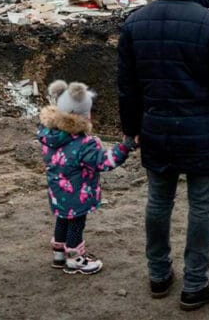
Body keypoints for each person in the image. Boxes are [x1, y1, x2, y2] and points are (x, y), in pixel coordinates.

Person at [117, 0, 209, 311]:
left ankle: (159, 275)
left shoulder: (134, 23)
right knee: (202, 206)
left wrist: (131, 130)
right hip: (205, 133)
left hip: (156, 129)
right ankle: (195, 284)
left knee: (159, 202)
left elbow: (127, 88)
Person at [38, 80, 136, 275]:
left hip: (57, 191)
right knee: (76, 223)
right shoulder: (85, 144)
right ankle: (75, 259)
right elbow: (104, 162)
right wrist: (125, 146)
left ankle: (59, 253)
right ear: (80, 117)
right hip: (78, 193)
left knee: (62, 218)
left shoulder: (48, 136)